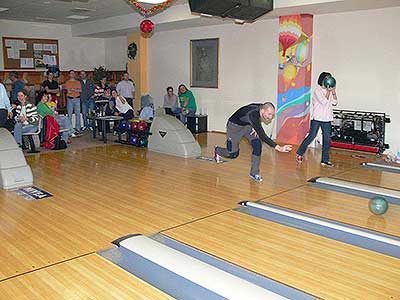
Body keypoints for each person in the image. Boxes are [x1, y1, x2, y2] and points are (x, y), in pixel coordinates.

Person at [214, 102, 292, 183]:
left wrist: (253, 125)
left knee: (257, 145)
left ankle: (254, 173)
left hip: (247, 126)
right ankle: (217, 150)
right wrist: (278, 147)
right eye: (269, 114)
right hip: (234, 128)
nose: (271, 117)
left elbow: (251, 109)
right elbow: (263, 136)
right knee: (232, 154)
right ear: (262, 110)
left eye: (272, 115)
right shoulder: (253, 115)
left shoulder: (261, 107)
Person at [295, 72, 338, 167]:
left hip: (327, 119)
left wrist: (333, 93)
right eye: (327, 78)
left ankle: (325, 160)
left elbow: (335, 102)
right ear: (323, 80)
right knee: (311, 136)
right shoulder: (317, 91)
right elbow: (323, 101)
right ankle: (299, 153)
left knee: (327, 139)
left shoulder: (330, 92)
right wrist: (328, 91)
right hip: (317, 118)